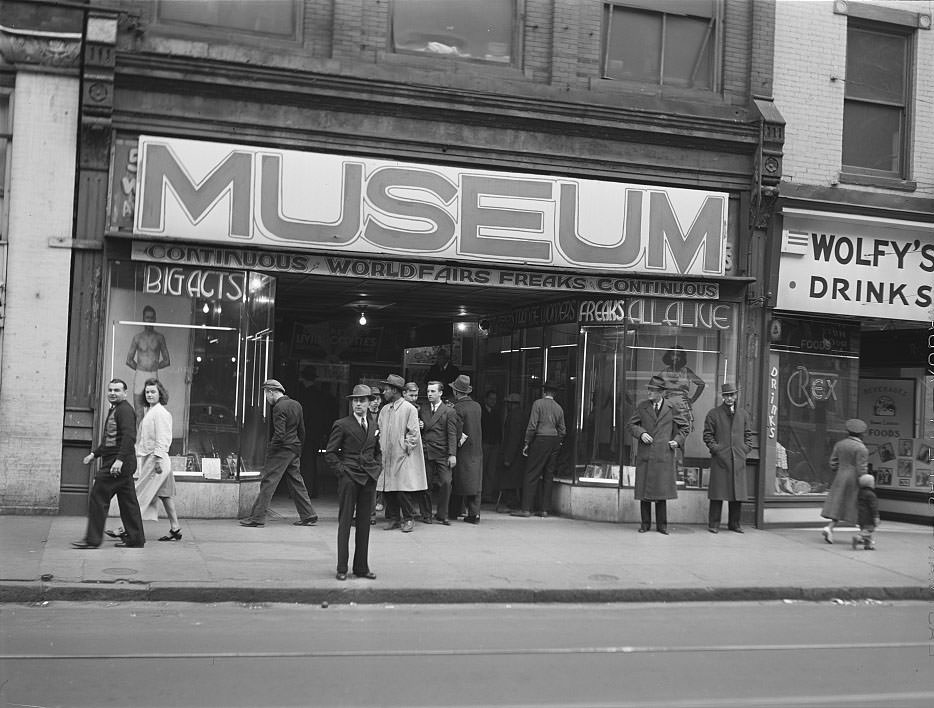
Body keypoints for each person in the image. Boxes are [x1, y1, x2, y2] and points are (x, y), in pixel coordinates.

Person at [72, 379, 146, 549]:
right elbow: (110, 439)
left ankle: (92, 540)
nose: (113, 393)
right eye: (110, 389)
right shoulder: (117, 409)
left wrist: (119, 460)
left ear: (125, 393)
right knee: (128, 502)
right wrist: (94, 454)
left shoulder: (125, 411)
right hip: (121, 462)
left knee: (98, 497)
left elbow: (129, 437)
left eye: (117, 390)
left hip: (117, 463)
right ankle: (135, 539)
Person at [108, 378, 181, 542]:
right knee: (165, 495)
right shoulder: (151, 411)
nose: (149, 395)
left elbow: (163, 438)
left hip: (157, 461)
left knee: (139, 495)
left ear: (160, 393)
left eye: (153, 392)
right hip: (157, 460)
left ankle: (125, 528)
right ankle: (175, 528)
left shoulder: (161, 413)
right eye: (147, 392)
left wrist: (157, 460)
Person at [240, 379, 319, 527]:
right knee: (296, 482)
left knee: (268, 482)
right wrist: (298, 448)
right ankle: (308, 514)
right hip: (294, 448)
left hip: (281, 450)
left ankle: (257, 518)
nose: (267, 399)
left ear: (271, 392)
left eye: (266, 394)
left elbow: (280, 434)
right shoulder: (296, 405)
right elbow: (302, 430)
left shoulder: (278, 407)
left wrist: (271, 449)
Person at [325, 384, 380, 580]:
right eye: (355, 400)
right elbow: (330, 453)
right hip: (349, 477)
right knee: (345, 522)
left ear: (368, 403)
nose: (358, 404)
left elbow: (377, 451)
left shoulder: (373, 424)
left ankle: (361, 568)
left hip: (368, 478)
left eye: (362, 400)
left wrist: (377, 467)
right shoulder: (342, 424)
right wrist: (342, 472)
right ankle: (342, 568)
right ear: (351, 403)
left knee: (364, 524)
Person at [627, 375, 690, 534]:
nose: (649, 392)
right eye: (648, 389)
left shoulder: (672, 407)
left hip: (663, 455)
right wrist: (641, 433)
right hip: (646, 455)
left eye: (653, 390)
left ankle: (662, 526)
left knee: (661, 493)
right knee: (644, 493)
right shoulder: (642, 407)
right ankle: (645, 524)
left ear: (661, 392)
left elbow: (684, 427)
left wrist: (677, 440)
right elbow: (631, 425)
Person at [377, 373, 427, 533]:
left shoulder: (409, 409)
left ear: (395, 390)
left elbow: (413, 432)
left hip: (403, 456)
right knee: (388, 489)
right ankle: (394, 518)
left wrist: (405, 447)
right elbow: (380, 429)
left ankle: (409, 518)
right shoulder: (384, 409)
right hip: (386, 455)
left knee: (402, 490)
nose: (384, 392)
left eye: (386, 389)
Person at [702, 383, 752, 534]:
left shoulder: (743, 414)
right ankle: (714, 524)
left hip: (738, 458)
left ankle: (734, 524)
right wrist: (716, 449)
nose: (729, 398)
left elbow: (748, 435)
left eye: (732, 395)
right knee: (718, 494)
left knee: (737, 495)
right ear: (722, 396)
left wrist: (744, 449)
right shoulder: (713, 414)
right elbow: (707, 435)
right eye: (726, 395)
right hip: (720, 459)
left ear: (736, 395)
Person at [512, 380, 565, 518]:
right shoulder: (559, 408)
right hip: (554, 440)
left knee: (531, 473)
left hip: (540, 439)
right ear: (555, 393)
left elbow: (532, 425)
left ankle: (526, 508)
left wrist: (527, 442)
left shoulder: (538, 404)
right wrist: (557, 442)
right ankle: (544, 509)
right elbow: (562, 430)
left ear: (544, 391)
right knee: (548, 475)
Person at [820, 418, 868, 544]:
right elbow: (861, 468)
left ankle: (829, 528)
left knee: (839, 504)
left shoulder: (840, 444)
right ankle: (864, 533)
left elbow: (833, 463)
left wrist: (840, 470)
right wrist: (865, 482)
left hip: (840, 476)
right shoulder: (861, 448)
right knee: (859, 505)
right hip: (854, 479)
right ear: (861, 433)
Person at [418, 380, 458, 525]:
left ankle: (443, 514)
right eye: (428, 391)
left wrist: (452, 454)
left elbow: (452, 434)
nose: (429, 394)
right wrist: (420, 426)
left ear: (440, 393)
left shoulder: (449, 411)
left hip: (442, 452)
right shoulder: (423, 409)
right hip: (427, 450)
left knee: (446, 483)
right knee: (426, 484)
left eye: (433, 391)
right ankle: (426, 514)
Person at [297, 365, 337, 499]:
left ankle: (306, 490)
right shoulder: (321, 395)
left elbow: (305, 415)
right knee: (311, 461)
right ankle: (312, 490)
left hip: (306, 432)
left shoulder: (304, 395)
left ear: (304, 378)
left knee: (306, 462)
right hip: (316, 433)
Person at [125, 306, 171, 416]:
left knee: (153, 410)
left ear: (155, 319)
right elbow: (129, 360)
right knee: (139, 411)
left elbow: (166, 360)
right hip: (140, 375)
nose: (149, 320)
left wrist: (154, 366)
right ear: (143, 319)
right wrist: (140, 367)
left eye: (151, 318)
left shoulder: (159, 338)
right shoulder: (137, 338)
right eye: (147, 317)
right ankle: (139, 434)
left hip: (153, 375)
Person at [450, 375, 483, 524]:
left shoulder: (457, 408)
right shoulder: (477, 406)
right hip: (477, 449)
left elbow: (457, 431)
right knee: (475, 483)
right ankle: (474, 513)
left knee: (458, 481)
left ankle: (454, 510)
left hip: (462, 450)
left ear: (456, 392)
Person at [657, 345, 705, 431]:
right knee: (667, 433)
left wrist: (692, 399)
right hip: (667, 406)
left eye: (678, 355)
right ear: (668, 357)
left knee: (681, 433)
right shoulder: (663, 373)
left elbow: (701, 384)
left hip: (682, 406)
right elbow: (655, 388)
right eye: (673, 355)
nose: (675, 357)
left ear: (682, 358)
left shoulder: (686, 371)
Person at [496, 393, 525, 512]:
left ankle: (512, 503)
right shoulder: (521, 414)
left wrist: (508, 457)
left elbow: (513, 437)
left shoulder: (514, 416)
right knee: (514, 480)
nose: (506, 405)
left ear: (512, 404)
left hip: (513, 455)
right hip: (518, 454)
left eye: (508, 403)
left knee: (510, 480)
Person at [480, 390, 503, 503]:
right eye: (491, 399)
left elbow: (499, 429)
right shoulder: (481, 411)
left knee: (491, 471)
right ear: (486, 399)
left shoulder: (497, 412)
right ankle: (479, 494)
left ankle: (487, 494)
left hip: (494, 444)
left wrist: (499, 442)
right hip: (484, 444)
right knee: (482, 470)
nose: (493, 401)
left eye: (495, 399)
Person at [851, 473, 880, 550]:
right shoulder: (871, 495)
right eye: (873, 482)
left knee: (866, 530)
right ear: (870, 484)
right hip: (869, 517)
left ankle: (868, 545)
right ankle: (858, 537)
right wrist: (876, 517)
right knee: (869, 530)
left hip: (861, 516)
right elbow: (873, 507)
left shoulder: (860, 493)